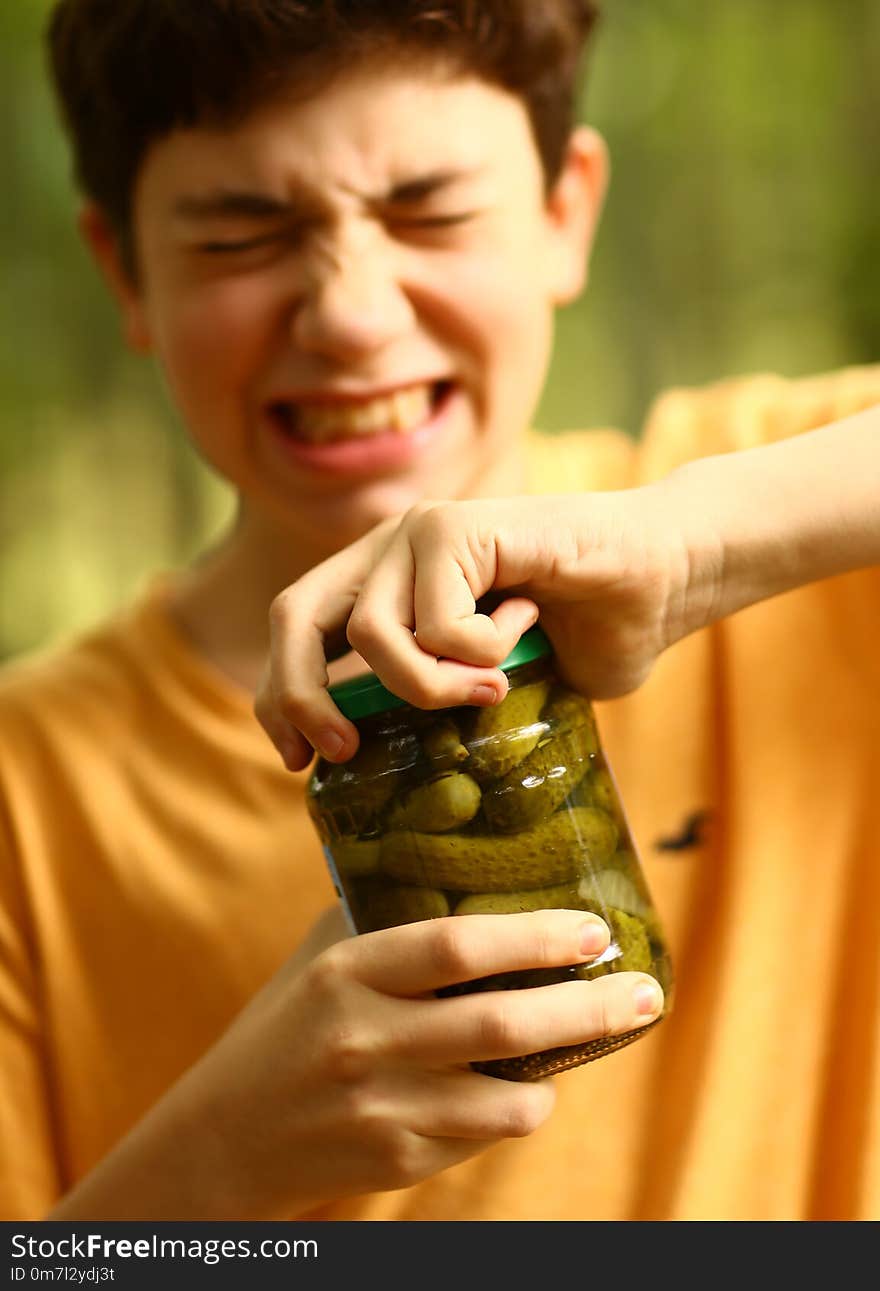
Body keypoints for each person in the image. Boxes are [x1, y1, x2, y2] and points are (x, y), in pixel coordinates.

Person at [0, 0, 877, 1222]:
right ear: (124, 274)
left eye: (430, 212)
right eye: (243, 235)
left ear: (565, 212)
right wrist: (213, 1169)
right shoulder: (25, 791)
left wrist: (697, 546)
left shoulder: (787, 508)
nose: (352, 315)